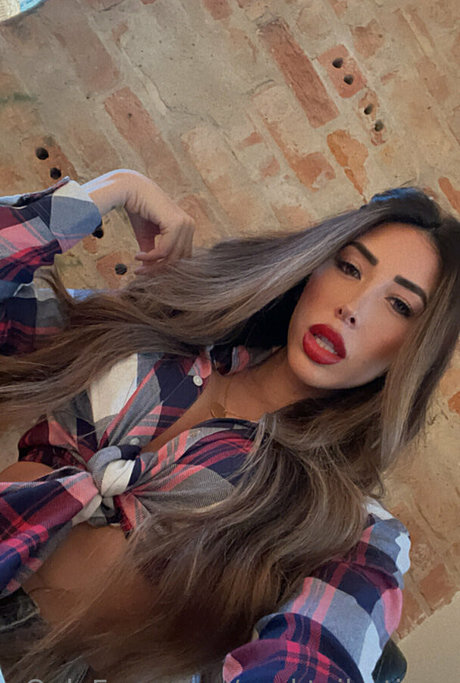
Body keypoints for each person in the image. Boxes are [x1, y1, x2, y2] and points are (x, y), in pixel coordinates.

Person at [0, 169, 458, 683]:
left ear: (415, 353)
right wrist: (115, 188)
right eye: (349, 267)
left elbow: (311, 661)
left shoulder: (353, 529)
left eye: (399, 305)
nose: (352, 307)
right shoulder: (161, 330)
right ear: (313, 265)